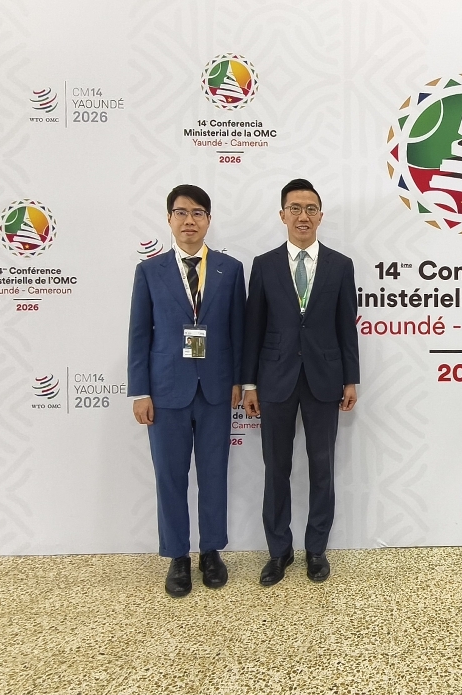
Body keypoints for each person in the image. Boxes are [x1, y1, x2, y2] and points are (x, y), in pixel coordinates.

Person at [128, 184, 245, 598]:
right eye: (181, 213)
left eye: (198, 213)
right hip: (165, 391)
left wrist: (239, 380)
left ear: (209, 220)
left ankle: (211, 551)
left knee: (214, 475)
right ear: (169, 219)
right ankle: (177, 556)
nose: (189, 220)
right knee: (170, 476)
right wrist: (140, 391)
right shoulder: (149, 271)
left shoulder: (230, 269)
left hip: (216, 389)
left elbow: (238, 330)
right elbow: (139, 334)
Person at [241, 178, 360, 586]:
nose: (303, 216)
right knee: (276, 469)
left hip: (325, 380)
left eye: (310, 209)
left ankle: (316, 549)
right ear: (282, 215)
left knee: (322, 467)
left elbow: (346, 327)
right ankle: (279, 551)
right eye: (295, 208)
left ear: (320, 216)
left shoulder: (340, 265)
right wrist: (249, 384)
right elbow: (253, 328)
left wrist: (350, 379)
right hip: (275, 380)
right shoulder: (264, 264)